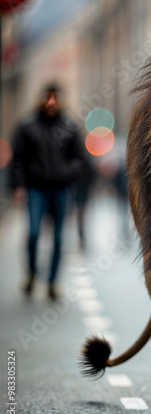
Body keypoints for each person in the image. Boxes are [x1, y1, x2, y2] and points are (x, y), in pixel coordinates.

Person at [10, 84, 87, 300]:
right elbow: (18, 160)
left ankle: (52, 282)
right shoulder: (27, 127)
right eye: (48, 98)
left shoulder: (70, 127)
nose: (51, 102)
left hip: (61, 190)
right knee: (33, 233)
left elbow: (81, 160)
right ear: (42, 100)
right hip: (35, 189)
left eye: (55, 98)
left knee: (58, 237)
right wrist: (18, 186)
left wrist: (65, 173)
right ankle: (32, 272)